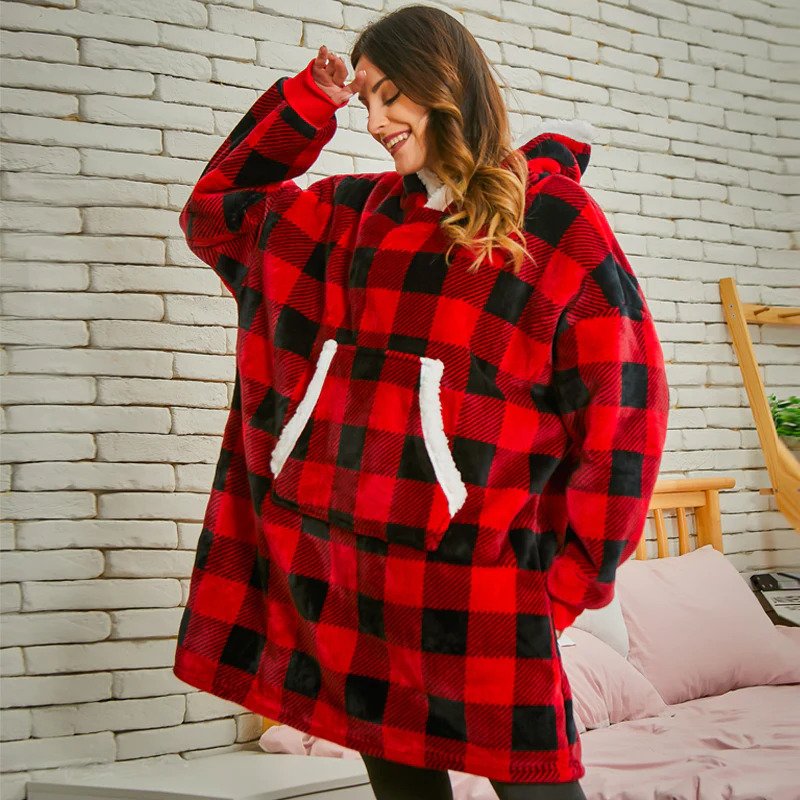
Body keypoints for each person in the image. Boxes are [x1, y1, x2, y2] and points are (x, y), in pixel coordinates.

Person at [173, 5, 669, 799]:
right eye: (365, 98)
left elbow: (624, 410)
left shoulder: (552, 221)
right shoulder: (348, 216)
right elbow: (215, 212)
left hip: (481, 591)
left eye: (391, 95)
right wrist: (308, 102)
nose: (373, 121)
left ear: (445, 85)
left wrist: (570, 582)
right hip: (354, 584)